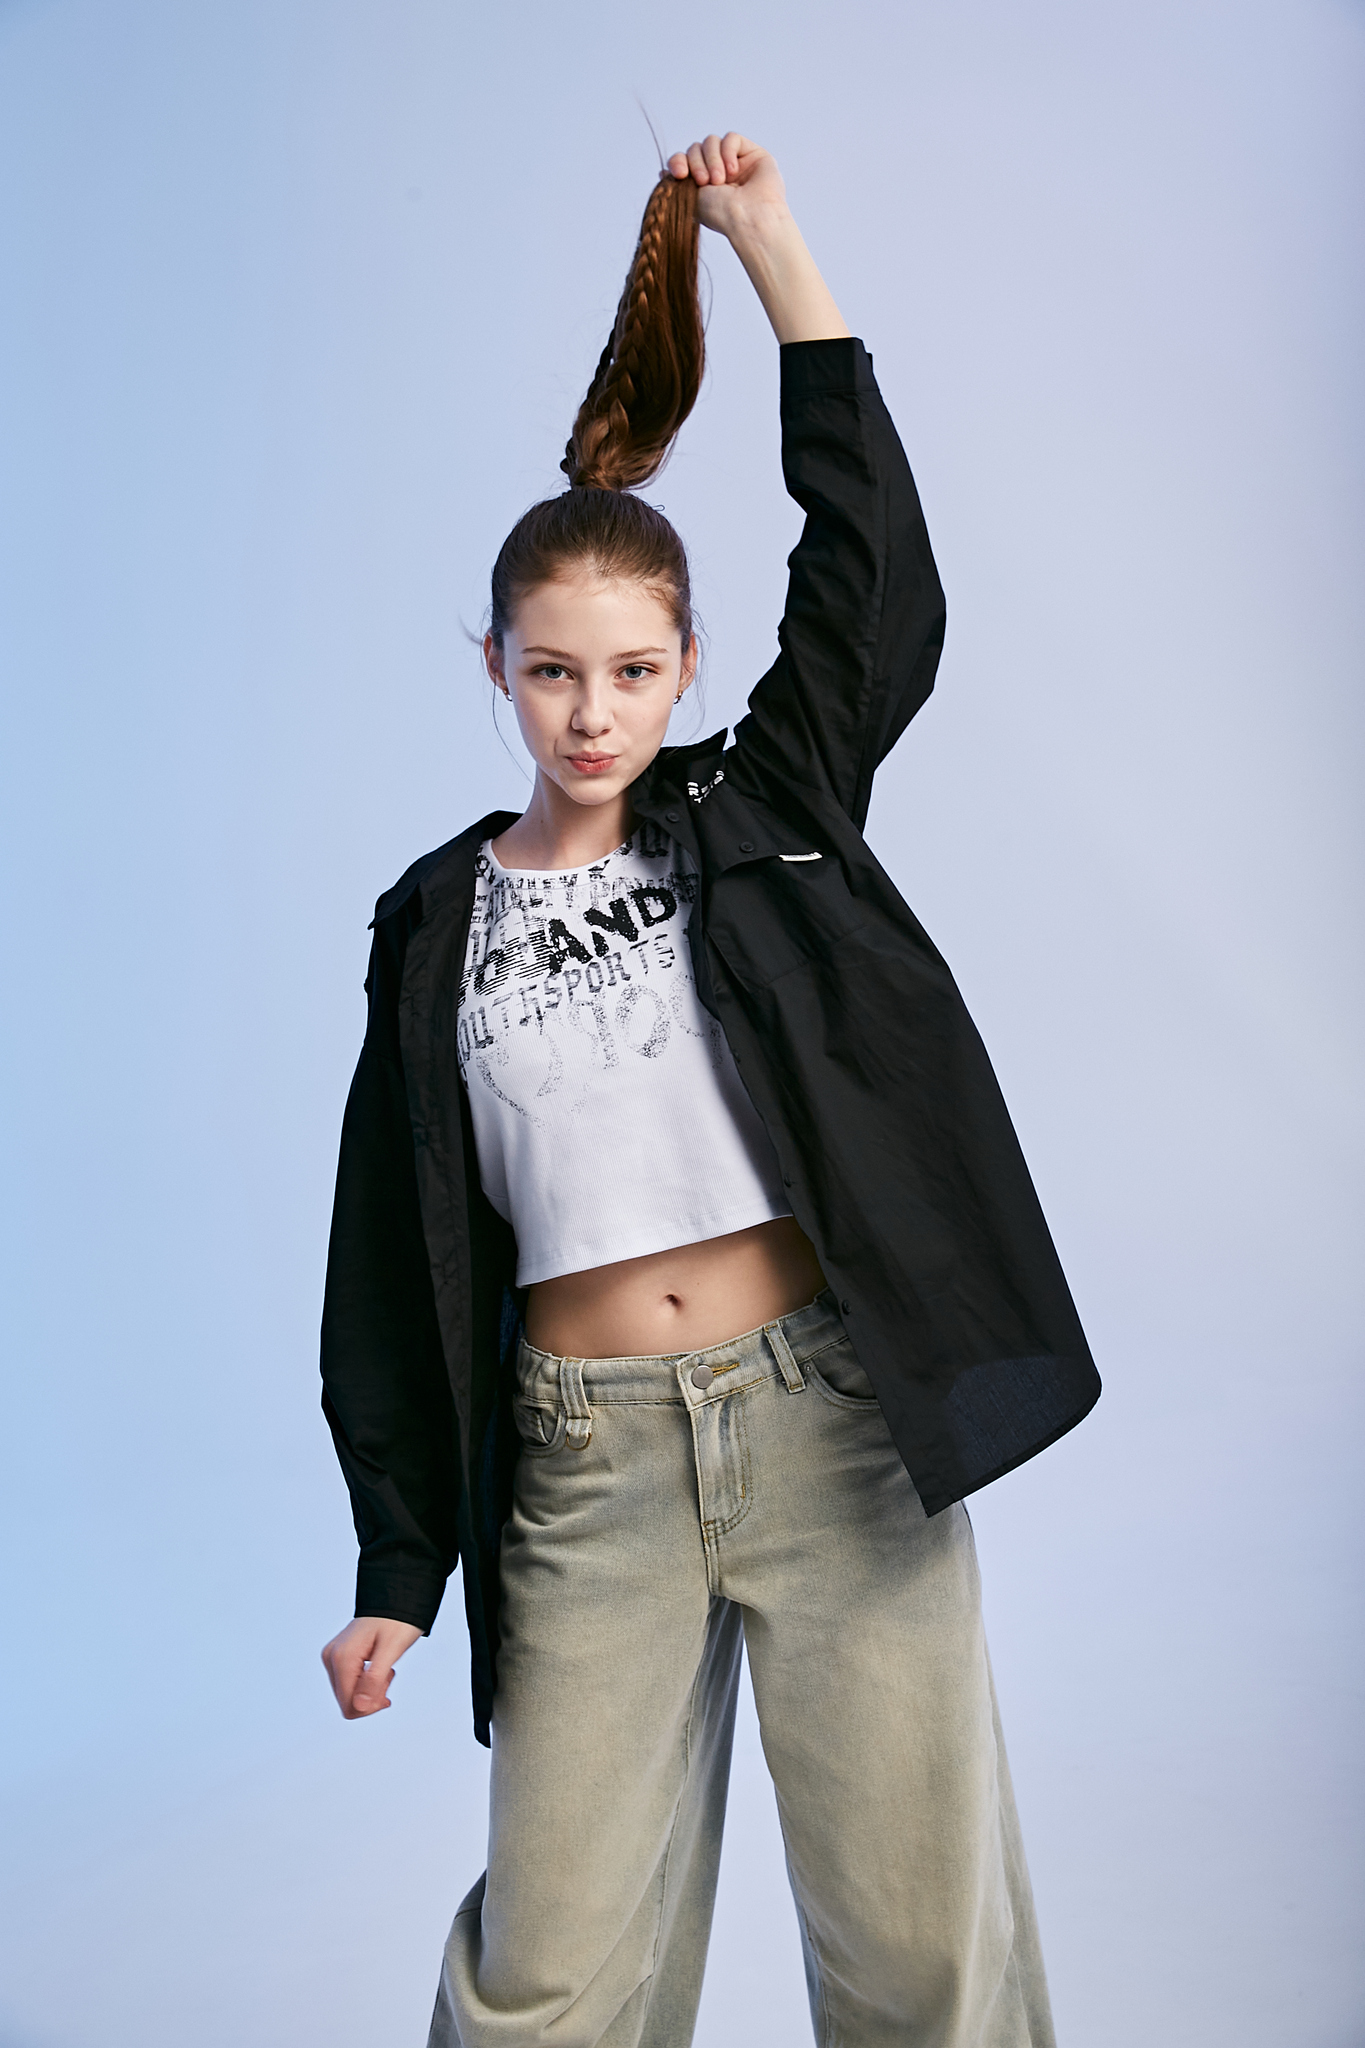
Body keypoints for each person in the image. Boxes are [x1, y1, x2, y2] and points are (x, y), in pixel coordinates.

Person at [319, 130, 1099, 2048]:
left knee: (919, 1966)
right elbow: (387, 1252)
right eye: (551, 673)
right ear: (494, 665)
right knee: (546, 1982)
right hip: (582, 1466)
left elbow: (872, 573)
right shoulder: (430, 923)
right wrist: (399, 1563)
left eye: (631, 671)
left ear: (685, 670)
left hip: (832, 1429)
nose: (592, 714)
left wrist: (770, 253)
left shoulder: (764, 812)